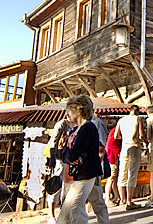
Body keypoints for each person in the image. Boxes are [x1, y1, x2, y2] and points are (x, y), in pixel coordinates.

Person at [57, 95, 107, 224]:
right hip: (74, 174)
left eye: (69, 110)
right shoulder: (75, 129)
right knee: (77, 213)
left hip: (86, 174)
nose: (67, 114)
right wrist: (65, 153)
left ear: (77, 110)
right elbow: (67, 151)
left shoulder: (89, 127)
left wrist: (63, 153)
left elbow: (73, 153)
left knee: (67, 215)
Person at [115, 104, 144, 210]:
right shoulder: (138, 119)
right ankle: (129, 201)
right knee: (132, 174)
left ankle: (122, 199)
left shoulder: (121, 120)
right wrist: (141, 140)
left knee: (122, 173)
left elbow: (116, 136)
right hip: (134, 146)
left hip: (124, 147)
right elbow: (141, 135)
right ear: (137, 111)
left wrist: (124, 138)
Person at [45, 116, 73, 224]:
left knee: (68, 188)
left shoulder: (77, 124)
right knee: (56, 186)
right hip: (60, 159)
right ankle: (51, 216)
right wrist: (52, 158)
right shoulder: (62, 124)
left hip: (70, 160)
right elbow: (54, 141)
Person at [105, 126, 121, 206]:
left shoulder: (114, 131)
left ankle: (117, 196)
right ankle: (107, 198)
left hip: (112, 156)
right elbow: (112, 145)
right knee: (111, 177)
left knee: (115, 178)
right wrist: (119, 153)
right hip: (112, 157)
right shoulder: (117, 132)